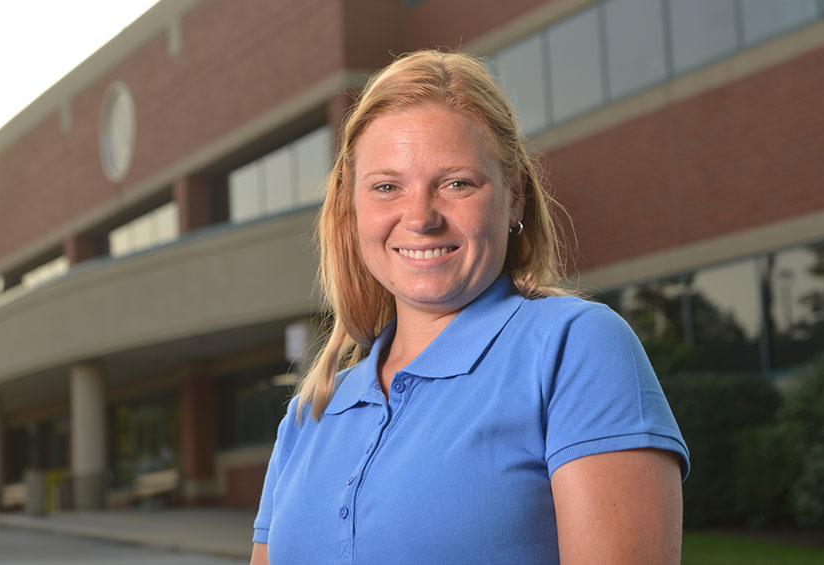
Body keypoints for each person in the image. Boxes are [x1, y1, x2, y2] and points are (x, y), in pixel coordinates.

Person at [250, 50, 688, 564]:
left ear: (515, 196)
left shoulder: (575, 349)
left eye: (457, 183)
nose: (419, 217)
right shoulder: (312, 412)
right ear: (353, 206)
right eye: (387, 187)